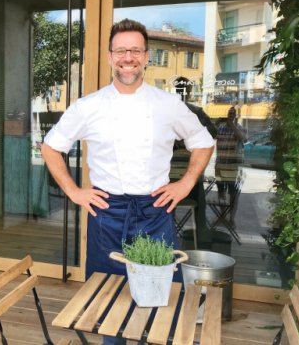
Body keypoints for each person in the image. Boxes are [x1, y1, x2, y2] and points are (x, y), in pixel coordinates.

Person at [41, 19, 214, 343]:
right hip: (106, 211)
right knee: (108, 302)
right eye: (121, 50)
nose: (128, 57)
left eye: (135, 50)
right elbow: (51, 147)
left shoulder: (168, 105)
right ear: (110, 57)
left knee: (160, 299)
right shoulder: (88, 107)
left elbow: (203, 142)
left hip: (155, 210)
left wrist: (185, 183)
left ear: (146, 56)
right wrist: (75, 192)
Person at [214, 105, 247, 203]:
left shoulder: (241, 128)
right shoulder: (220, 128)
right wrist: (216, 123)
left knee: (232, 191)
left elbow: (244, 139)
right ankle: (221, 214)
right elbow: (209, 135)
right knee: (220, 191)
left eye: (233, 114)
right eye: (229, 113)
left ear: (237, 116)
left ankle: (231, 217)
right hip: (220, 164)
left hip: (233, 166)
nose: (231, 115)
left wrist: (232, 125)